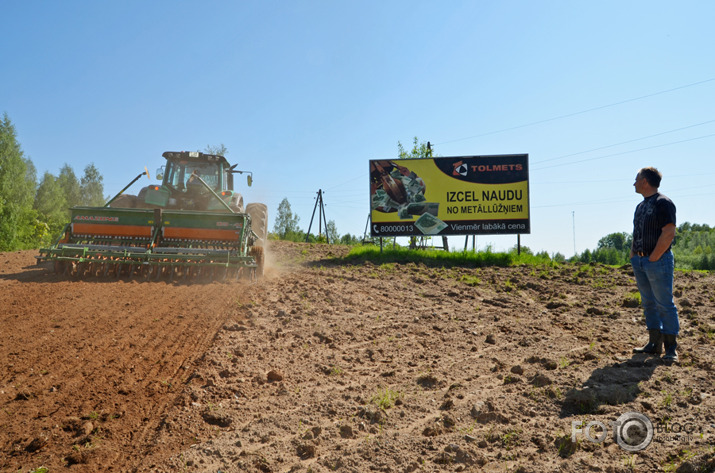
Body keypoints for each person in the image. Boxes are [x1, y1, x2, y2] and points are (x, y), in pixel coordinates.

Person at [630, 167, 679, 361]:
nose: (633, 183)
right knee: (649, 303)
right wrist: (634, 254)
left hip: (657, 261)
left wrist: (653, 257)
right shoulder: (640, 206)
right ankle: (653, 344)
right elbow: (637, 232)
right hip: (640, 260)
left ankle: (670, 349)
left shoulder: (663, 203)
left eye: (636, 179)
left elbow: (668, 232)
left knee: (664, 303)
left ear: (645, 181)